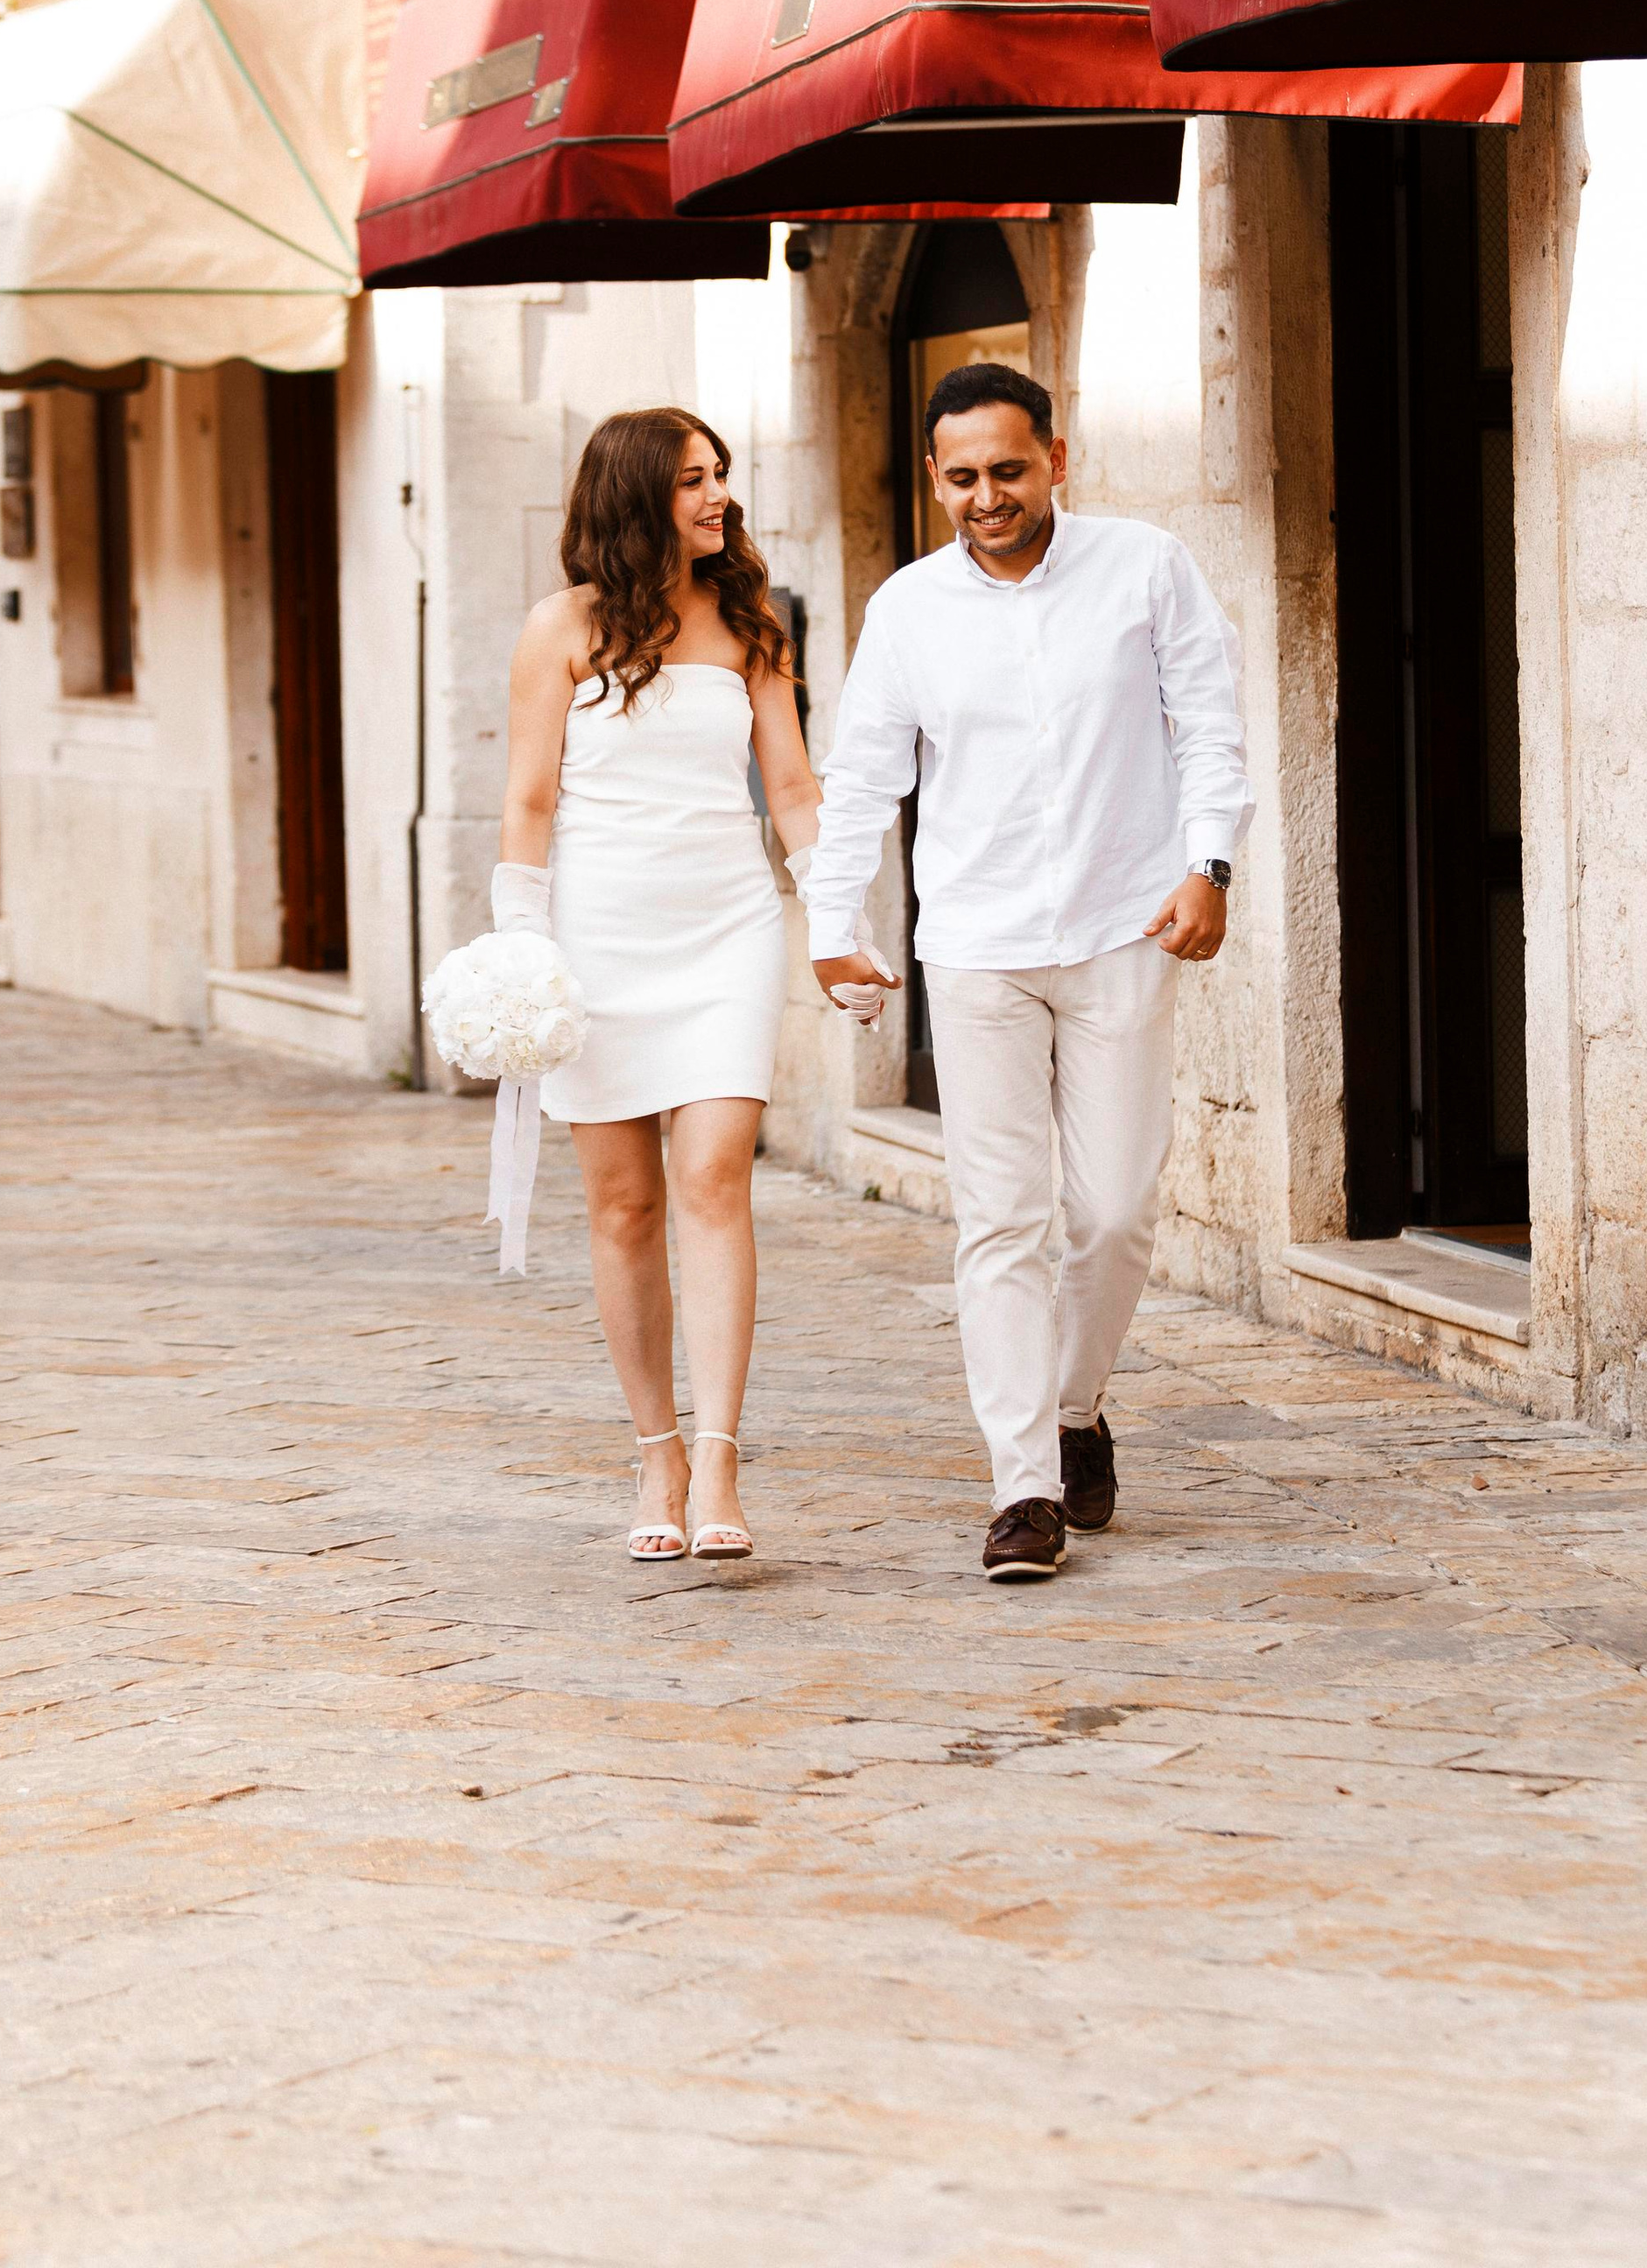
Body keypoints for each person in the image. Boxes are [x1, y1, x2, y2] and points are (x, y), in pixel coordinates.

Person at [804, 361, 1249, 1581]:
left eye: (1009, 469)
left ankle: (1076, 1404)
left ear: (1058, 458)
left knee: (1113, 1211)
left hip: (1123, 927)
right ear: (936, 480)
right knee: (1000, 1220)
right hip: (978, 943)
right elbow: (862, 780)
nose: (987, 495)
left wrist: (1210, 864)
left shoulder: (1146, 567)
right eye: (963, 477)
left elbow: (1209, 723)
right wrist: (830, 919)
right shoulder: (907, 608)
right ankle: (1023, 1490)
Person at [496, 406, 821, 1564]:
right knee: (625, 1207)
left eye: (722, 475)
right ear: (639, 493)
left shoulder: (751, 622)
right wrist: (520, 947)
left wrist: (832, 920)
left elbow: (790, 789)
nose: (718, 496)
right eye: (693, 479)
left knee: (714, 1175)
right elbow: (531, 800)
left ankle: (725, 1455)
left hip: (728, 927)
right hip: (598, 937)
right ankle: (658, 1452)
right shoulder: (563, 629)